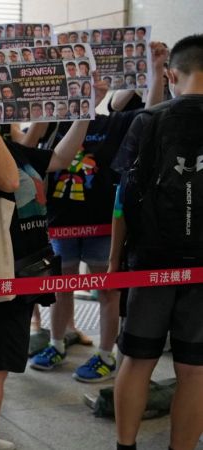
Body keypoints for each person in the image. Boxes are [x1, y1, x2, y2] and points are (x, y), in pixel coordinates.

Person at [0, 70, 86, 450]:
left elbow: (58, 158)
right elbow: (8, 181)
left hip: (19, 266)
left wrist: (85, 109)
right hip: (0, 270)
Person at [30, 51, 168, 383]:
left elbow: (150, 114)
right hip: (59, 223)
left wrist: (157, 69)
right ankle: (57, 342)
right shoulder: (52, 123)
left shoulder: (112, 123)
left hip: (102, 225)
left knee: (107, 290)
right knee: (61, 287)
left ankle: (106, 355)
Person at [112, 35, 203, 450]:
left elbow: (123, 201)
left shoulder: (148, 121)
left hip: (150, 263)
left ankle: (125, 446)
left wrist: (115, 263)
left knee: (137, 360)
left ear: (170, 75)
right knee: (195, 371)